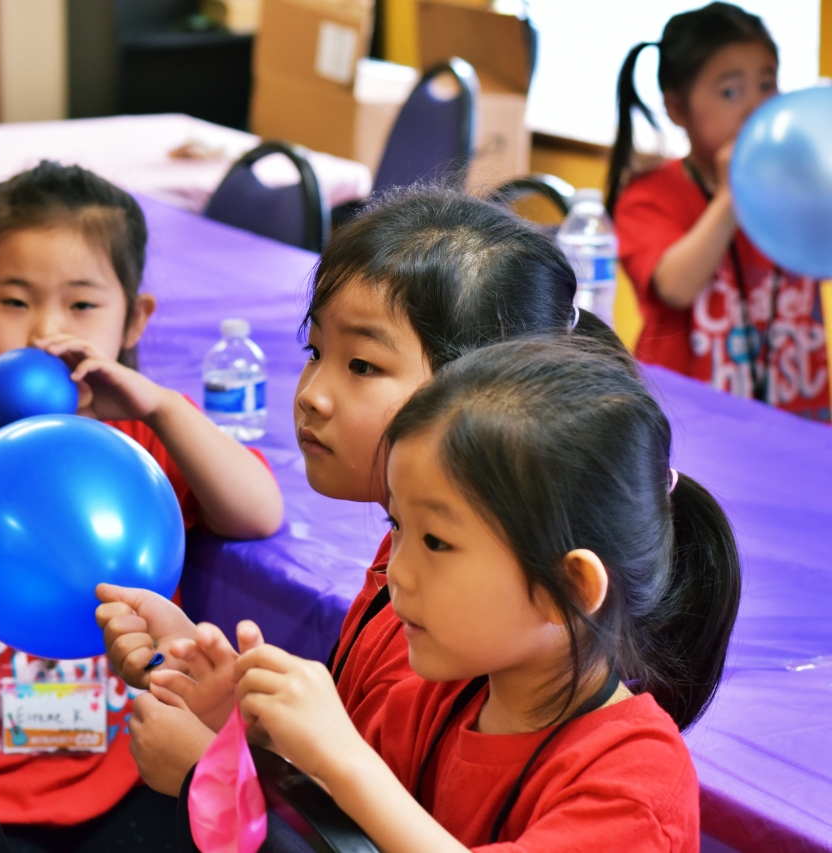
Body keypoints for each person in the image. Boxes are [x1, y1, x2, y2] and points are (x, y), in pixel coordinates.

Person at [96, 187, 625, 795]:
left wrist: (210, 774)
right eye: (315, 351)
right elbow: (352, 772)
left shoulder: (462, 627)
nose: (311, 395)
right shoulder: (409, 558)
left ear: (481, 394)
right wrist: (221, 701)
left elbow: (375, 817)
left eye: (363, 366)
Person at [0, 161, 283, 852]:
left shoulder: (139, 437)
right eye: (15, 301)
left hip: (128, 772)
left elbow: (258, 511)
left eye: (82, 305)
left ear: (134, 319)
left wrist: (161, 406)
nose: (46, 332)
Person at [225, 337, 740, 851]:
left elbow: (360, 786)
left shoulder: (637, 783)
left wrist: (344, 759)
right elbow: (342, 831)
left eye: (436, 542)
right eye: (396, 524)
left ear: (570, 588)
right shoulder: (430, 701)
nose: (397, 572)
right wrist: (260, 740)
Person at [607, 2, 828, 421]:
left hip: (796, 414)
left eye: (767, 84)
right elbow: (676, 287)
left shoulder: (795, 185)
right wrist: (731, 197)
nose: (755, 107)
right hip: (692, 423)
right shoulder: (650, 196)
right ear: (677, 109)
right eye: (730, 92)